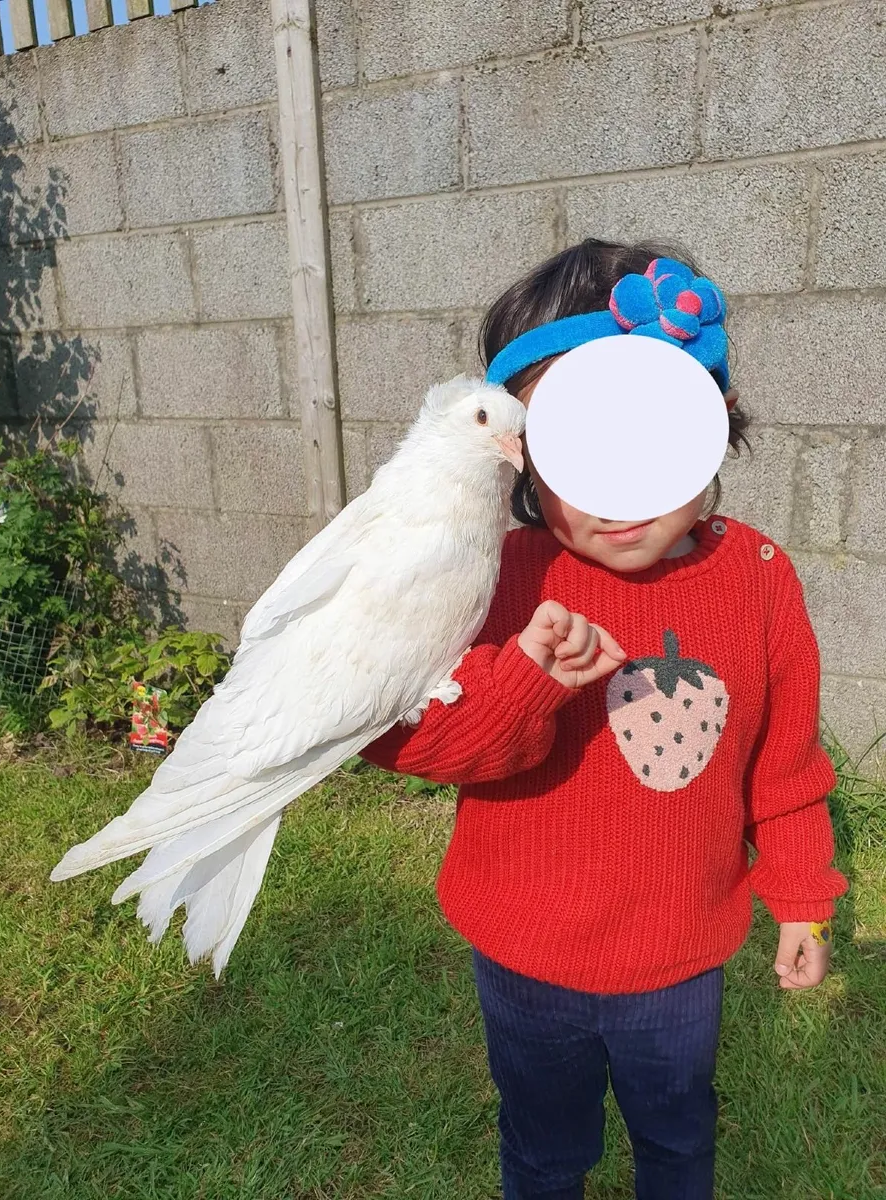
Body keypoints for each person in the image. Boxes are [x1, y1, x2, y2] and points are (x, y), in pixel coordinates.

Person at [362, 238, 847, 1200]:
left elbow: (782, 763)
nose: (618, 493)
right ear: (523, 454)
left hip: (678, 953)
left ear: (711, 423)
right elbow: (415, 741)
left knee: (676, 1139)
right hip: (525, 949)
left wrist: (799, 893)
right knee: (544, 1149)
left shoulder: (756, 579)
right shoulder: (496, 578)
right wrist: (528, 682)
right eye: (582, 448)